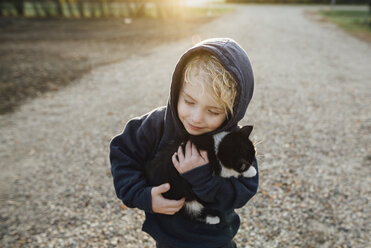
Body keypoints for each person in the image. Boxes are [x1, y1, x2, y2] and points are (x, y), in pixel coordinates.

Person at [110, 38, 259, 248]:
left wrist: (203, 178)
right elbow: (123, 154)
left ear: (233, 113)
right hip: (167, 238)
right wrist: (143, 196)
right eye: (189, 102)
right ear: (177, 89)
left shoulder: (233, 143)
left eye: (213, 111)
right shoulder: (155, 125)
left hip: (216, 239)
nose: (196, 118)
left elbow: (243, 190)